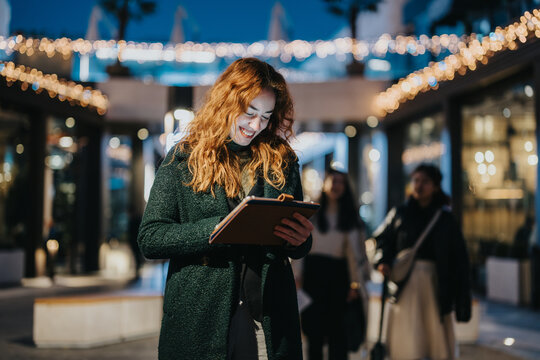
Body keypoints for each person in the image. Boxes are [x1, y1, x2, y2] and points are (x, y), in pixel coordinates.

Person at [138, 58, 314, 360]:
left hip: (268, 312)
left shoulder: (281, 159)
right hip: (201, 314)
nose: (256, 126)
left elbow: (293, 236)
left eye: (266, 116)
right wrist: (219, 228)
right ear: (225, 103)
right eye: (249, 113)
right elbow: (150, 237)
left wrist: (300, 240)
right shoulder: (183, 158)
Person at [373, 164, 471, 360]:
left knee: (434, 335)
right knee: (407, 336)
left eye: (425, 181)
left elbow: (459, 259)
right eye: (416, 180)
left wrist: (461, 298)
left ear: (435, 186)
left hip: (437, 282)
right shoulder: (400, 213)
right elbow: (382, 240)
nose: (419, 185)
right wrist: (383, 261)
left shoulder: (445, 218)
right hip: (405, 283)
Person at [295, 167, 370, 360]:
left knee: (339, 333)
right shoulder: (312, 212)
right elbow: (301, 246)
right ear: (325, 183)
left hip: (339, 276)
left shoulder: (352, 219)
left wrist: (355, 284)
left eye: (340, 182)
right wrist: (297, 275)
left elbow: (357, 256)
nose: (336, 185)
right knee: (314, 333)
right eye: (332, 180)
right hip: (314, 273)